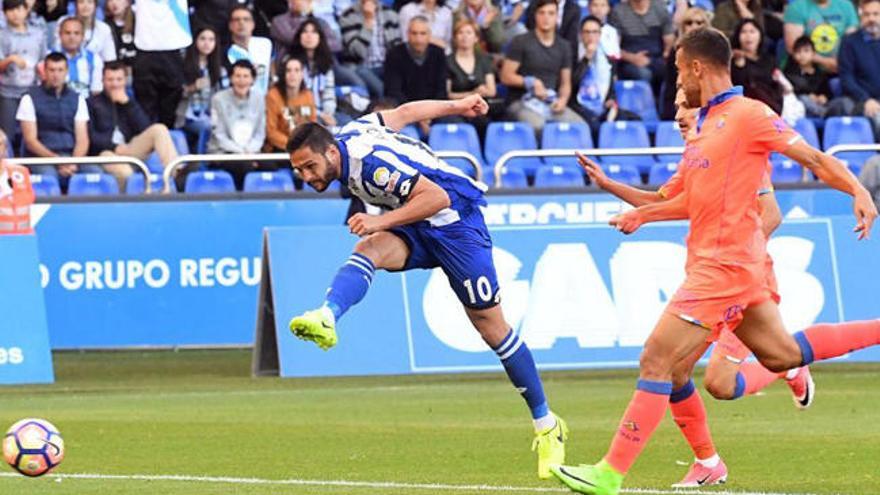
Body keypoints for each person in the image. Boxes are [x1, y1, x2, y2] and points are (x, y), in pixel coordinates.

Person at [550, 28, 879, 495]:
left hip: (722, 269)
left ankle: (609, 473)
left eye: (680, 68)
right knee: (779, 354)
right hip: (732, 270)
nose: (677, 79)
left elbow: (813, 158)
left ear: (697, 67)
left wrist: (858, 188)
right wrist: (636, 208)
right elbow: (677, 198)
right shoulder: (703, 129)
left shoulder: (748, 116)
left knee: (656, 359)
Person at [285, 94, 568, 480]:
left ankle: (547, 424)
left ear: (332, 153)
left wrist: (382, 221)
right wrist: (459, 104)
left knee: (491, 327)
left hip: (456, 224)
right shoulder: (355, 131)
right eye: (299, 170)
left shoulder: (371, 169)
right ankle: (327, 316)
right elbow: (403, 113)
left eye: (309, 166)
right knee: (368, 249)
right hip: (418, 222)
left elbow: (437, 196)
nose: (306, 176)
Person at [578, 87, 814, 488]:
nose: (676, 116)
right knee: (673, 371)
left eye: (683, 108)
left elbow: (770, 215)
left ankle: (786, 366)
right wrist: (610, 186)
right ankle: (708, 462)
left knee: (720, 384)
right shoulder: (697, 159)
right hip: (714, 282)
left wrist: (738, 254)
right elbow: (662, 200)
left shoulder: (741, 155)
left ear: (704, 109)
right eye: (674, 110)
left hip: (744, 282)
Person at [87, 61, 178, 189]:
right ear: (103, 81)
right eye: (110, 80)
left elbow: (144, 128)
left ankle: (176, 173)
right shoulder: (92, 103)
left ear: (125, 80)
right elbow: (91, 136)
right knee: (125, 172)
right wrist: (114, 147)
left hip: (130, 148)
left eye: (119, 79)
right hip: (105, 152)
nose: (115, 84)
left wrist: (127, 104)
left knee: (159, 129)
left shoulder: (130, 101)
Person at [500, 0, 584, 137]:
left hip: (550, 102)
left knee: (580, 127)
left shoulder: (564, 46)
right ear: (535, 16)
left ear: (557, 17)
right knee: (538, 126)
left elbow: (565, 82)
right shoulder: (520, 42)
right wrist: (530, 82)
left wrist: (562, 100)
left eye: (551, 13)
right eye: (542, 13)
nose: (546, 17)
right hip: (520, 101)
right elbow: (506, 76)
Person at [16, 52, 100, 188]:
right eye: (52, 70)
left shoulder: (77, 98)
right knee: (49, 178)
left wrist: (73, 162)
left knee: (95, 173)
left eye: (60, 70)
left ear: (66, 71)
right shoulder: (29, 98)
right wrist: (57, 160)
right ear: (45, 71)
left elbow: (83, 139)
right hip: (40, 158)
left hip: (71, 155)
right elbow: (30, 141)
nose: (56, 75)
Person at [384, 16, 449, 134]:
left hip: (433, 112)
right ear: (407, 34)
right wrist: (418, 116)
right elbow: (394, 92)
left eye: (423, 33)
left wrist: (427, 115)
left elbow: (441, 91)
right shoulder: (394, 55)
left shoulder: (439, 54)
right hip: (404, 111)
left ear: (429, 35)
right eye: (414, 33)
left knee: (453, 124)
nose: (418, 39)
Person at [207, 59, 267, 188]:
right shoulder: (218, 99)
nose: (241, 81)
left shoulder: (259, 98)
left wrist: (250, 151)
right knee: (244, 166)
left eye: (246, 76)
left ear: (252, 80)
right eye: (237, 76)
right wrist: (241, 153)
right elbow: (219, 135)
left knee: (270, 165)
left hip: (251, 151)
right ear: (230, 78)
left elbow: (260, 133)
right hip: (224, 152)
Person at [133, 0, 191, 128]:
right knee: (144, 112)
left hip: (175, 47)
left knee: (170, 112)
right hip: (145, 47)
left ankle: (167, 144)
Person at [0, 0, 47, 148]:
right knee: (8, 135)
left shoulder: (38, 34)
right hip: (8, 92)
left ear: (27, 10)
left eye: (19, 9)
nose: (15, 13)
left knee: (35, 133)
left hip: (34, 90)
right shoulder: (2, 36)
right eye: (11, 10)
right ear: (4, 13)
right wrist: (10, 59)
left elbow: (43, 60)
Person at [176, 26, 227, 152]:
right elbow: (173, 92)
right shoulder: (182, 64)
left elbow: (226, 96)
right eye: (202, 39)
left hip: (212, 115)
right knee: (207, 127)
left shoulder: (220, 70)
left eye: (211, 40)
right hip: (187, 116)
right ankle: (200, 164)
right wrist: (192, 88)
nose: (207, 43)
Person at [338, 0, 402, 98]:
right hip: (360, 67)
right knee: (383, 90)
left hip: (386, 66)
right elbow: (357, 52)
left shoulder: (390, 14)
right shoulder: (348, 16)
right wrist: (368, 21)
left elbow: (397, 49)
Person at [290, 18, 348, 127]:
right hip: (299, 113)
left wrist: (328, 114)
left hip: (324, 113)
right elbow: (292, 98)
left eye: (313, 32)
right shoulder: (291, 62)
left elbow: (329, 94)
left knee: (348, 124)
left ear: (319, 37)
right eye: (305, 31)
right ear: (299, 36)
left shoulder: (326, 63)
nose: (309, 36)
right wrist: (320, 115)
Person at [447, 18, 496, 138]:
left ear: (476, 38)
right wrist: (472, 94)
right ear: (455, 37)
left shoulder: (484, 59)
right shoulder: (446, 61)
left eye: (469, 33)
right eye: (460, 33)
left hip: (481, 109)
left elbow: (492, 90)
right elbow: (448, 94)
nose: (464, 36)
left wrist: (482, 92)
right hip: (456, 110)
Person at [838, 0, 880, 139]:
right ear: (860, 17)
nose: (871, 19)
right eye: (867, 15)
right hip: (862, 102)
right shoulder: (849, 42)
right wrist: (866, 99)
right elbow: (846, 79)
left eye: (876, 14)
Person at [609, 0, 674, 89]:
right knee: (643, 74)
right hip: (629, 60)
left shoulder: (660, 8)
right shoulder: (618, 11)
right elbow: (613, 47)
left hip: (657, 57)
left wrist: (664, 58)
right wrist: (632, 58)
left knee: (671, 71)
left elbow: (669, 41)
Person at [784, 35, 852, 117]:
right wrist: (809, 96)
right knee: (803, 98)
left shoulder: (820, 74)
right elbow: (790, 91)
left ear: (813, 53)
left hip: (821, 105)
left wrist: (823, 97)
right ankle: (823, 114)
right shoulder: (790, 73)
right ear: (794, 55)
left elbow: (828, 92)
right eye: (798, 52)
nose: (802, 55)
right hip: (801, 107)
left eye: (806, 51)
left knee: (844, 101)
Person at [661, 7, 710, 119]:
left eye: (699, 23)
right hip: (679, 104)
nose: (694, 26)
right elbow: (672, 85)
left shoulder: (714, 53)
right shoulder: (676, 52)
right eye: (689, 23)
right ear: (683, 28)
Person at [783, 0, 858, 73]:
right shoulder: (797, 7)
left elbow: (853, 42)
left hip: (843, 67)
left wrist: (843, 62)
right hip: (809, 70)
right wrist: (828, 62)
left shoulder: (846, 5)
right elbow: (794, 47)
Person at [264, 56, 317, 152]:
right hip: (279, 149)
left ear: (302, 74)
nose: (292, 74)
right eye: (288, 70)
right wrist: (293, 145)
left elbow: (312, 126)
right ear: (283, 74)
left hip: (303, 148)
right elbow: (271, 132)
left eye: (297, 70)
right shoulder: (273, 95)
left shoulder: (308, 95)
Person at [731, 19, 783, 115]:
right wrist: (740, 64)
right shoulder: (733, 60)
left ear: (760, 35)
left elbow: (776, 85)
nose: (748, 36)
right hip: (745, 109)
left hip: (771, 106)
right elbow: (739, 86)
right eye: (744, 32)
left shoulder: (769, 60)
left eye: (752, 31)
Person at [227, 5, 273, 95]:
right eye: (237, 20)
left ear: (253, 24)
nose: (241, 23)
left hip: (262, 101)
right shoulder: (225, 51)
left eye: (246, 19)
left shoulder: (265, 44)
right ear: (230, 25)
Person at [0, 129, 35, 234]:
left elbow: (29, 200)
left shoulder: (21, 172)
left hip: (23, 238)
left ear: (5, 148)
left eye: (0, 144)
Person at [58, 17, 103, 98]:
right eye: (67, 33)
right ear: (60, 35)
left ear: (83, 36)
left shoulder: (94, 59)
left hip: (87, 104)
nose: (72, 37)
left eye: (76, 33)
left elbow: (96, 91)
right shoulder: (49, 57)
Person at [104, 0, 136, 78]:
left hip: (138, 71)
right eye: (110, 0)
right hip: (116, 74)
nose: (114, 3)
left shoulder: (138, 23)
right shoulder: (105, 26)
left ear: (127, 2)